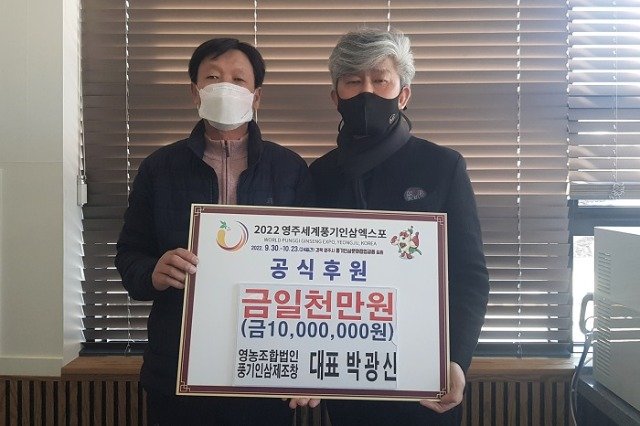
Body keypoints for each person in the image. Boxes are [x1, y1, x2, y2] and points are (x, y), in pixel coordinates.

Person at [115, 38, 314, 425]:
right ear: (195, 92)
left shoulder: (289, 169)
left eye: (239, 80)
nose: (226, 87)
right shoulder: (159, 168)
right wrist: (152, 271)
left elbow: (314, 266)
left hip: (266, 362)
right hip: (177, 363)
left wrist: (306, 362)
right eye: (213, 78)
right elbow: (129, 254)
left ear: (256, 96)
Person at [307, 28, 490, 425]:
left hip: (425, 374)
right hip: (345, 372)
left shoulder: (442, 166)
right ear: (336, 97)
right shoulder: (319, 175)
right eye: (353, 81)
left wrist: (456, 359)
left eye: (380, 80)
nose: (367, 92)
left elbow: (469, 274)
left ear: (403, 94)